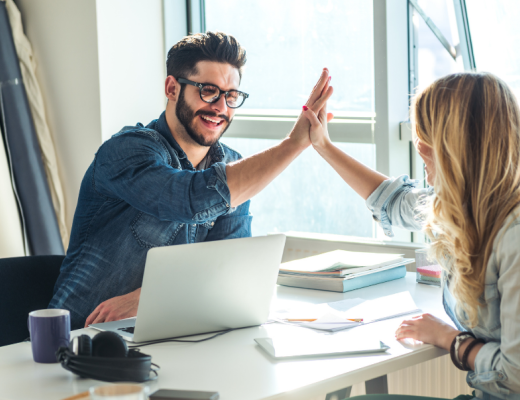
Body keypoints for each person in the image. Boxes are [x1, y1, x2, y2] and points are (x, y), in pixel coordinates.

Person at [303, 72, 520, 399]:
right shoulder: (464, 206)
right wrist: (323, 146)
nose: (420, 150)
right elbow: (396, 201)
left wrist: (450, 339)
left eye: (426, 140)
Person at [50, 31, 334, 329]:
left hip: (171, 339)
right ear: (172, 88)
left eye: (231, 95)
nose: (221, 107)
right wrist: (293, 144)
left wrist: (149, 297)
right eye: (208, 90)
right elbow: (189, 199)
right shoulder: (127, 151)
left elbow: (227, 268)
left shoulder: (233, 167)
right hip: (76, 344)